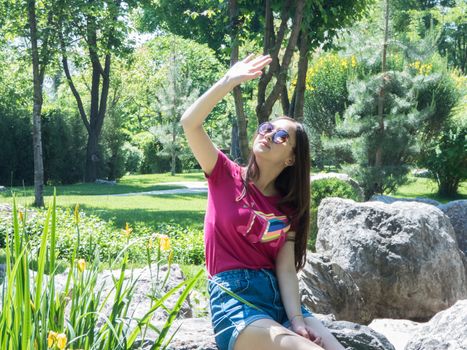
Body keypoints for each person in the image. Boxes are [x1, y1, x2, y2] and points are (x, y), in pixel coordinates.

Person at [181, 54, 345, 350]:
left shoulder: (288, 207)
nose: (269, 134)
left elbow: (285, 269)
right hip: (236, 300)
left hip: (279, 301)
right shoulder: (223, 175)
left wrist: (296, 320)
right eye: (267, 127)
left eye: (282, 136)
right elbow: (190, 123)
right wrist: (228, 81)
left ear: (292, 158)